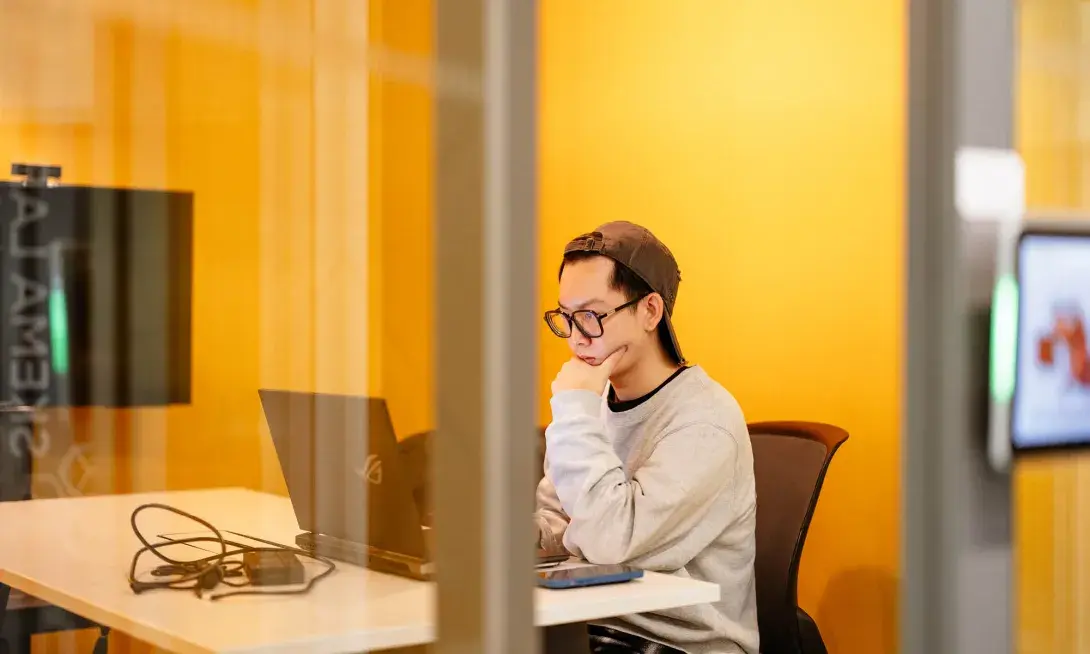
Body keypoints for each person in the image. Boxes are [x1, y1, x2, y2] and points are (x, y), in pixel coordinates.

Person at [535, 221, 759, 654]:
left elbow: (611, 542)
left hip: (674, 642)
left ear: (650, 311)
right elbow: (561, 518)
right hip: (591, 626)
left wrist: (575, 412)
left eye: (592, 315)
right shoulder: (594, 402)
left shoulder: (705, 421)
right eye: (566, 317)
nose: (577, 338)